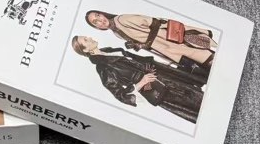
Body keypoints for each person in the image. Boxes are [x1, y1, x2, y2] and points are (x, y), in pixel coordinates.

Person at [71, 35, 204, 124]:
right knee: (197, 104)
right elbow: (120, 95)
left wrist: (163, 65)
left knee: (199, 91)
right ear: (86, 50)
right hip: (159, 88)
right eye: (85, 40)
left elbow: (138, 61)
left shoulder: (110, 51)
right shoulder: (102, 67)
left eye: (86, 37)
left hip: (163, 74)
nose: (89, 38)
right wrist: (141, 83)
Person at [84, 8, 216, 79]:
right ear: (97, 28)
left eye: (98, 15)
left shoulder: (122, 19)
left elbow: (155, 23)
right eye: (96, 22)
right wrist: (136, 45)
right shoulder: (116, 32)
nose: (100, 21)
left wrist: (144, 44)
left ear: (102, 14)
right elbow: (142, 38)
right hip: (164, 49)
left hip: (168, 39)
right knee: (197, 63)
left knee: (203, 55)